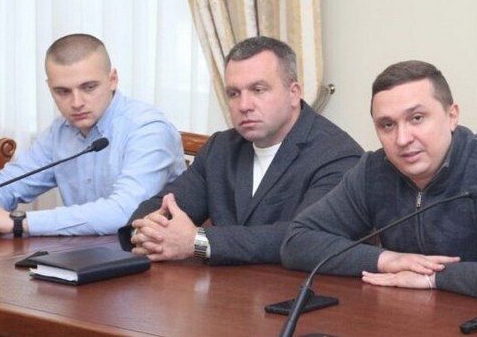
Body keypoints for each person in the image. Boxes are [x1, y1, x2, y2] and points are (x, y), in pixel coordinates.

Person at [281, 60, 477, 306]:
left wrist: (432, 277)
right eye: (387, 125)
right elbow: (297, 242)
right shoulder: (374, 171)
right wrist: (387, 260)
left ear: (452, 116)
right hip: (415, 316)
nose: (402, 139)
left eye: (417, 118)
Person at [119, 36, 363, 265]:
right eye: (234, 93)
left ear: (294, 93)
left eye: (258, 90)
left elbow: (303, 238)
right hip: (222, 287)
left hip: (296, 289)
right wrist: (144, 231)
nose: (244, 105)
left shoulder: (339, 155)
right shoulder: (221, 148)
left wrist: (199, 243)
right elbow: (162, 205)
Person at [0, 33, 186, 236]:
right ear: (49, 87)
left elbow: (125, 212)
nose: (76, 103)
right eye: (63, 91)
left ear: (113, 79)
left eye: (89, 87)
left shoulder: (148, 128)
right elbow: (12, 183)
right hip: (83, 256)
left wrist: (18, 222)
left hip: (153, 262)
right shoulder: (61, 131)